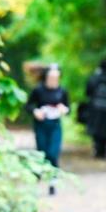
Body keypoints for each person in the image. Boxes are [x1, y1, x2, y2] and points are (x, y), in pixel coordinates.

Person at [26, 63, 70, 195]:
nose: (53, 80)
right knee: (42, 152)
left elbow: (68, 109)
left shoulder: (62, 91)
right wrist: (35, 111)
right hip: (41, 124)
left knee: (53, 153)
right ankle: (39, 173)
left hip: (55, 125)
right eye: (51, 78)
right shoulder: (38, 90)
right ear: (46, 77)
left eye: (56, 78)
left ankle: (53, 181)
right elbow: (29, 106)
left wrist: (64, 110)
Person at [85, 61, 106, 159]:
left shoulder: (94, 79)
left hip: (96, 110)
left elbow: (87, 92)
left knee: (96, 131)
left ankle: (98, 150)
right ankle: (103, 152)